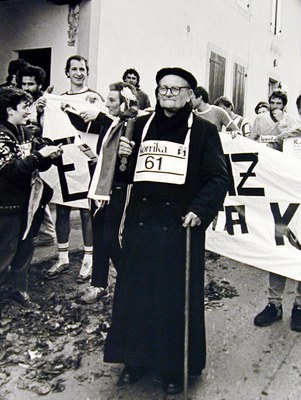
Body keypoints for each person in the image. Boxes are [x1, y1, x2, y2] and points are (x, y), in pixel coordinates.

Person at [103, 67, 229, 395]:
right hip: (141, 225)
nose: (169, 95)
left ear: (190, 94)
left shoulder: (203, 131)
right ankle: (135, 359)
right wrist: (124, 159)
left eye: (176, 89)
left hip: (179, 228)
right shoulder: (140, 125)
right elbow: (127, 176)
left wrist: (199, 210)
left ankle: (174, 366)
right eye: (163, 89)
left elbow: (219, 178)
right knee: (136, 294)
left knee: (174, 300)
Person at [74, 81, 140, 304]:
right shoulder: (109, 124)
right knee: (100, 238)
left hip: (119, 188)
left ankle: (133, 283)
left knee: (111, 238)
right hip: (100, 188)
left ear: (124, 104)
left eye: (112, 100)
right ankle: (99, 285)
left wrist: (100, 115)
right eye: (106, 99)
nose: (107, 104)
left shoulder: (131, 124)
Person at [42, 55, 104, 282]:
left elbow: (102, 124)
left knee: (87, 209)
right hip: (63, 155)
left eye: (82, 69)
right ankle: (62, 257)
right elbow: (48, 128)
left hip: (85, 157)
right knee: (62, 208)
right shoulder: (57, 99)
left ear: (87, 72)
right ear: (67, 72)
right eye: (74, 69)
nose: (78, 73)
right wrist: (42, 106)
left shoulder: (93, 97)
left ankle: (88, 259)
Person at [0, 87, 62, 307]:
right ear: (9, 109)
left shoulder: (25, 132)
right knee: (4, 251)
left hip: (28, 205)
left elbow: (36, 163)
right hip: (6, 207)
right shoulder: (1, 134)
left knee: (25, 249)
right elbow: (9, 170)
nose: (29, 111)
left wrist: (49, 155)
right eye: (25, 107)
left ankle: (19, 290)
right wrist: (38, 156)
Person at [250, 89, 301, 331]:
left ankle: (300, 306)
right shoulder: (290, 134)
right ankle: (274, 304)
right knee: (278, 247)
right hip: (285, 200)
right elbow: (263, 151)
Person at [16, 64, 56, 247]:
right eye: (23, 84)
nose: (26, 88)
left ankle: (44, 233)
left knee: (40, 193)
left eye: (30, 84)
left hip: (42, 154)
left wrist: (40, 113)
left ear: (39, 85)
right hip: (27, 154)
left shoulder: (46, 102)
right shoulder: (17, 100)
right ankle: (46, 233)